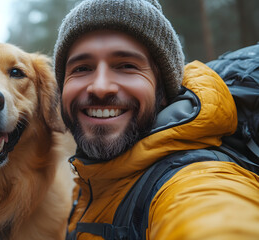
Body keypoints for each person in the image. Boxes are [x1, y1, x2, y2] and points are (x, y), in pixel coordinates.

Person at [53, 0, 259, 239]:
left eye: (127, 66)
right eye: (81, 68)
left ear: (162, 91)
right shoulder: (93, 180)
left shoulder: (194, 182)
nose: (100, 87)